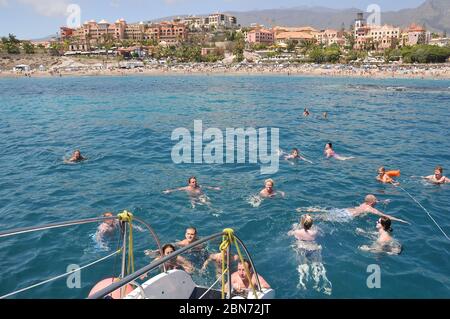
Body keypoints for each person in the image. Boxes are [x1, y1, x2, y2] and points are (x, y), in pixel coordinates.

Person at [288, 215, 332, 295]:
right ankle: (323, 284)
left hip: (302, 248)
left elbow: (289, 234)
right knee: (318, 267)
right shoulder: (315, 231)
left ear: (301, 223)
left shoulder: (297, 231)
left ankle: (302, 282)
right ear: (311, 224)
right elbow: (322, 234)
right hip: (314, 248)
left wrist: (294, 228)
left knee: (303, 266)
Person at [299, 195, 409, 224]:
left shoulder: (364, 204)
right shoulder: (370, 209)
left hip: (345, 210)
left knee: (326, 212)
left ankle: (309, 211)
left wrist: (383, 201)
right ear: (372, 203)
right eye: (376, 201)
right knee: (324, 218)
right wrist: (400, 220)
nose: (377, 202)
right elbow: (386, 216)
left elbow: (372, 200)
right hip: (347, 216)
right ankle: (308, 220)